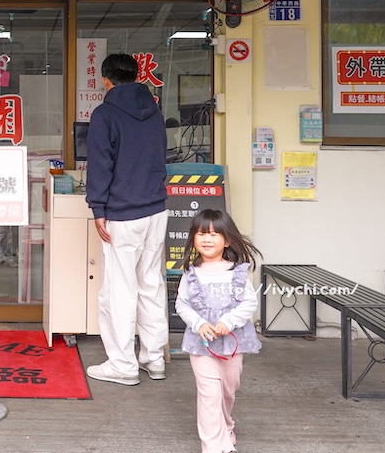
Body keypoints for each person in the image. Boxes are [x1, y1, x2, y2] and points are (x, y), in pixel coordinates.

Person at [84, 52, 169, 386]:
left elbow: (101, 164)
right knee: (150, 284)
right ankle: (154, 358)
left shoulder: (105, 114)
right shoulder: (155, 112)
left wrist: (98, 209)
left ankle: (122, 364)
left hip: (123, 213)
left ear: (106, 80)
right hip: (156, 210)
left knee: (120, 289)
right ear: (136, 76)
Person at [175, 209, 262, 453]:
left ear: (228, 240)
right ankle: (215, 446)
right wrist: (199, 323)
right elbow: (182, 303)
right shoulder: (191, 273)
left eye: (214, 234)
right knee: (209, 394)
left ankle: (226, 424)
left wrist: (229, 321)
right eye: (202, 233)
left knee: (227, 390)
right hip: (201, 345)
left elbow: (249, 303)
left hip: (233, 343)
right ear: (193, 238)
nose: (207, 239)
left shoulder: (237, 272)